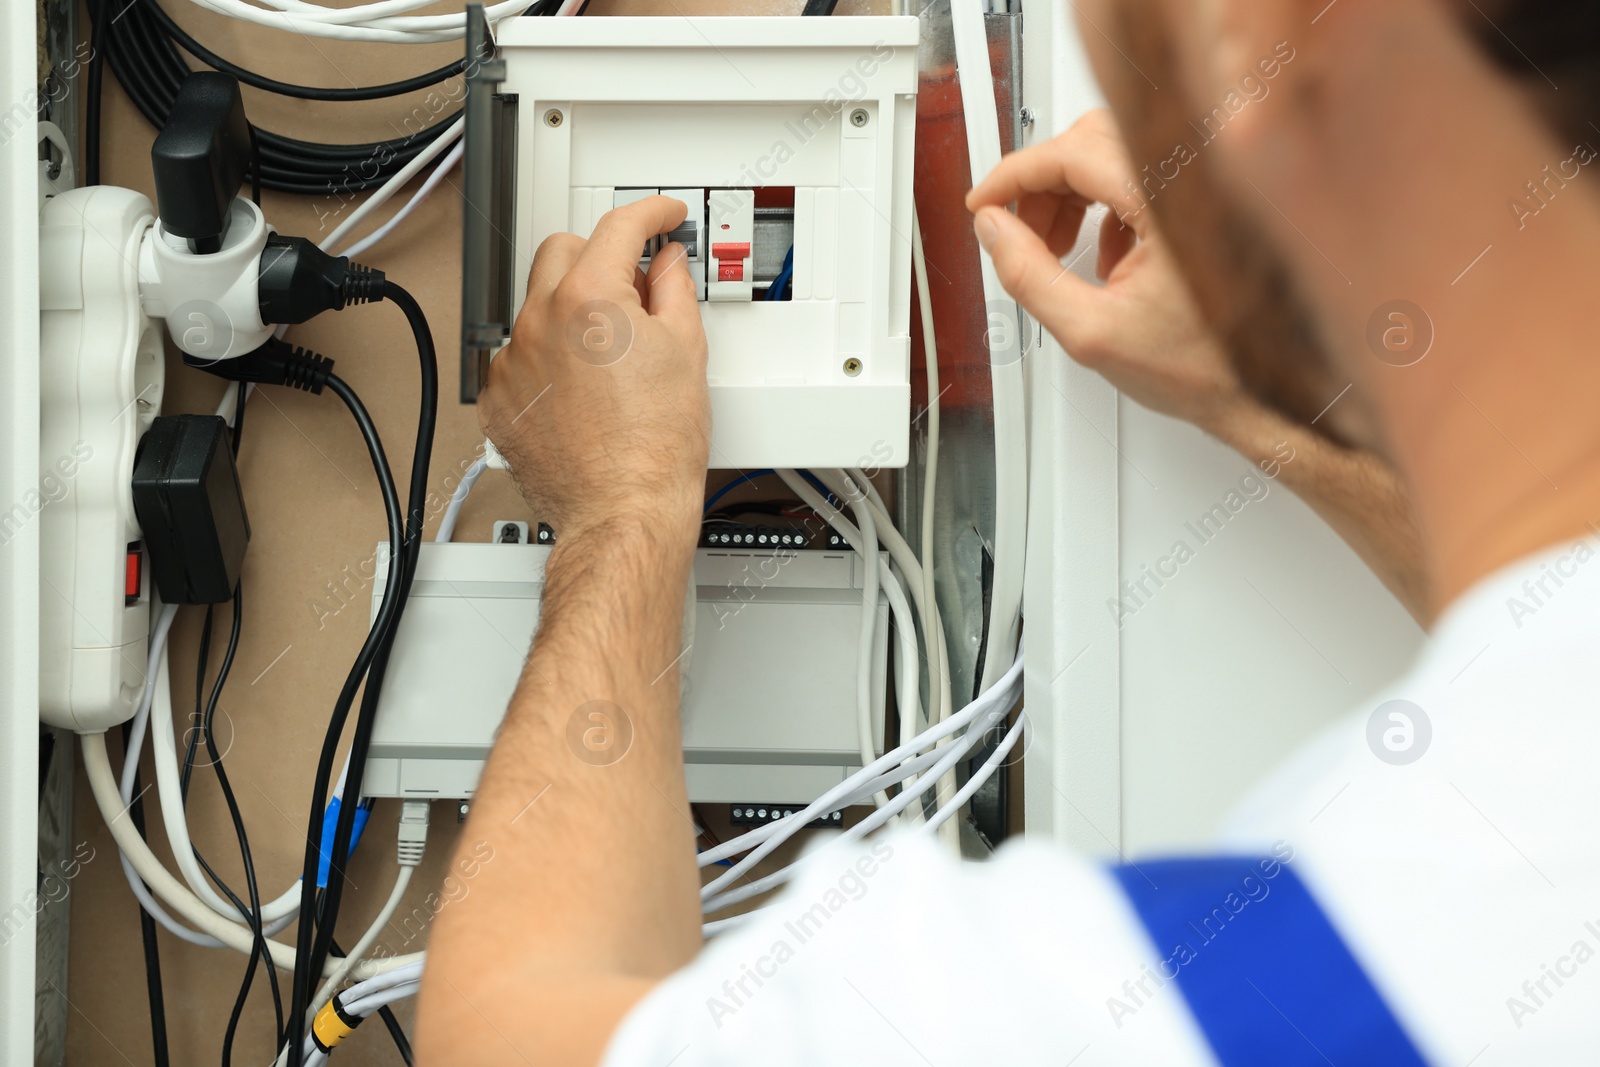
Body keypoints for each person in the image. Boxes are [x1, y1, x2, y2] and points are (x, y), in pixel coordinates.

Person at [416, 0, 1600, 1062]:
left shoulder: (1178, 1008)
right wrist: (1252, 385)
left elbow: (502, 1035)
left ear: (1259, 37)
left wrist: (620, 504)